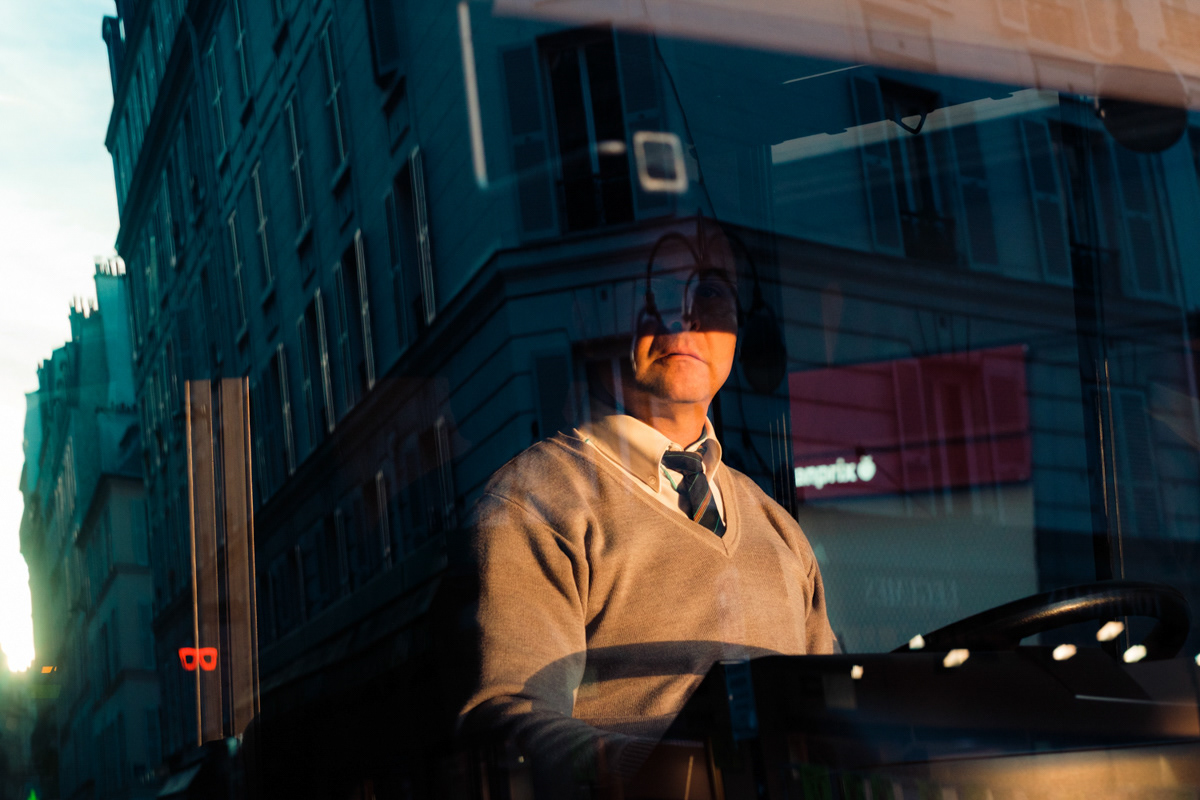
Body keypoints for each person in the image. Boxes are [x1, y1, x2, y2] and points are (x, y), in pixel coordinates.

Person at [457, 225, 835, 796]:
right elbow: (508, 721)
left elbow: (832, 715)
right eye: (654, 284)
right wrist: (680, 779)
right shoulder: (534, 503)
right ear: (592, 318)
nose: (685, 314)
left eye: (710, 290)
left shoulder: (778, 529)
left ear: (737, 327)